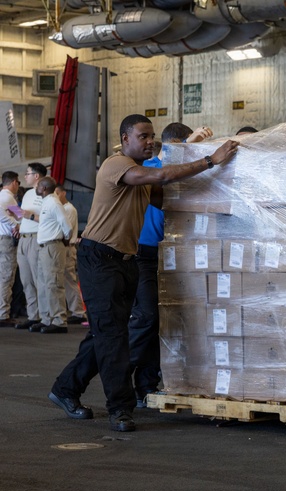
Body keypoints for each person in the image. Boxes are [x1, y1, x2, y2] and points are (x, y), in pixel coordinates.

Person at [49, 114, 239, 432]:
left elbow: (167, 197)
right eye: (143, 136)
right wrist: (210, 160)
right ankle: (120, 410)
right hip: (99, 259)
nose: (149, 141)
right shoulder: (116, 164)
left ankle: (65, 389)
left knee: (106, 334)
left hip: (127, 261)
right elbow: (162, 176)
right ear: (125, 139)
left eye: (152, 136)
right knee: (114, 338)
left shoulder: (141, 179)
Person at [129, 122, 212, 408]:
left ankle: (147, 385)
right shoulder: (151, 165)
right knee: (148, 316)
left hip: (174, 254)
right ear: (172, 144)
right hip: (144, 253)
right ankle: (119, 372)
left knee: (165, 323)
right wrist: (187, 145)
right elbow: (164, 169)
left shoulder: (186, 174)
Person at [33, 177, 71, 334]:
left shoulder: (54, 203)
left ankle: (59, 320)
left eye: (38, 185)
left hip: (52, 247)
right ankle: (47, 318)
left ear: (43, 188)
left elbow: (67, 226)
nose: (36, 187)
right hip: (44, 247)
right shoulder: (48, 202)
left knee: (53, 284)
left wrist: (65, 240)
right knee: (43, 284)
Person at [14, 162, 46, 330]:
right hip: (23, 238)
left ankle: (44, 315)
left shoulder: (46, 194)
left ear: (36, 176)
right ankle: (33, 315)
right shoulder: (26, 195)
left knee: (37, 279)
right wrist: (18, 222)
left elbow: (48, 219)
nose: (24, 177)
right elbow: (23, 216)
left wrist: (31, 216)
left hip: (36, 239)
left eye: (27, 173)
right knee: (26, 279)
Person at [55, 185, 85, 324]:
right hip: (62, 246)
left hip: (67, 246)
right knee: (64, 279)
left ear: (63, 193)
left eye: (57, 193)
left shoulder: (69, 209)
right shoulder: (60, 208)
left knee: (69, 279)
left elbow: (65, 229)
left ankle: (78, 311)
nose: (55, 197)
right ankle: (73, 309)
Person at [0, 171, 21, 327]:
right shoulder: (8, 197)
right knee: (7, 277)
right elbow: (21, 216)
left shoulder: (3, 196)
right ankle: (3, 314)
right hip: (6, 241)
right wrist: (15, 224)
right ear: (14, 182)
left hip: (2, 239)